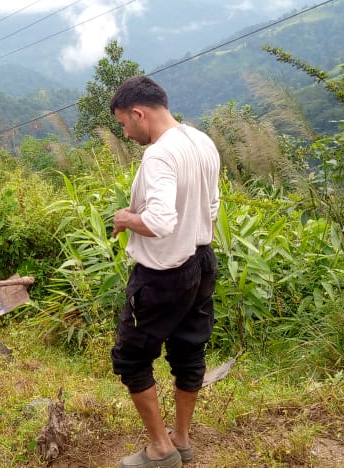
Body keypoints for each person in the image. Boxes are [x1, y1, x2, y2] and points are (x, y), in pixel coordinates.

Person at [107, 76, 220, 468]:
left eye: (124, 124)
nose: (125, 132)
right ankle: (182, 439)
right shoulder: (201, 141)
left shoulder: (158, 154)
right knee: (189, 352)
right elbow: (212, 206)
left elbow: (160, 220)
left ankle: (160, 449)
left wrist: (126, 217)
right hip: (201, 260)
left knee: (131, 358)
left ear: (139, 113)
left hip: (163, 273)